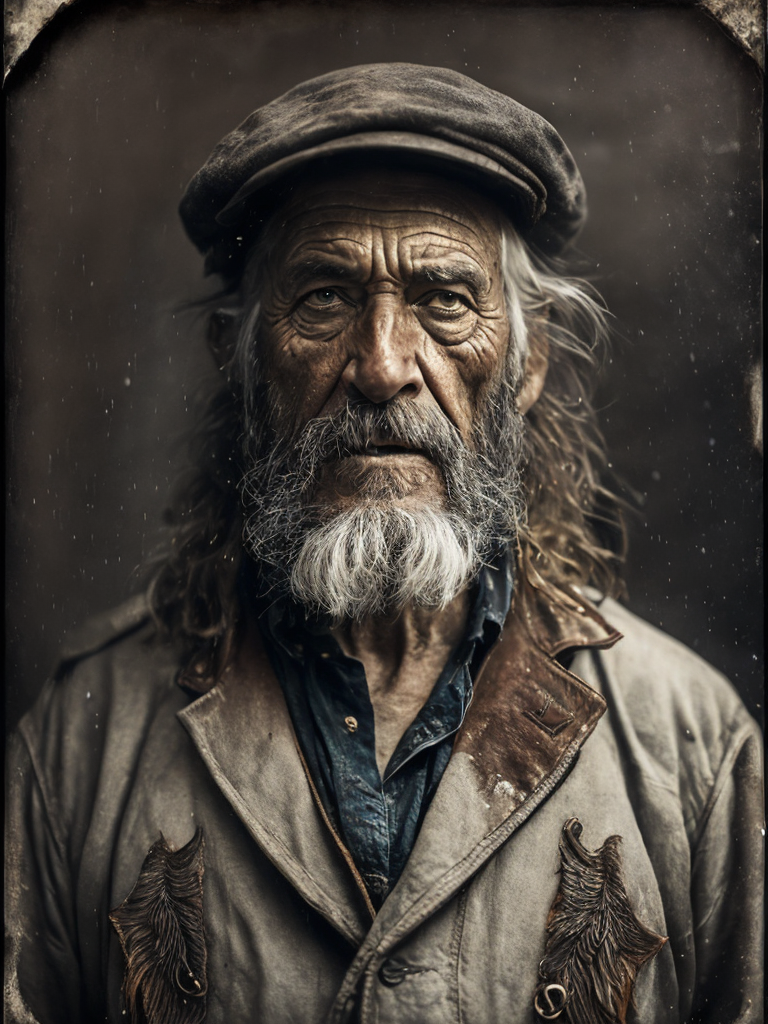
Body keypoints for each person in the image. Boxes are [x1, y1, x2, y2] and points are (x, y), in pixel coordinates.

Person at [5, 63, 762, 1024]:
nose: (383, 366)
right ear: (239, 363)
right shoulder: (81, 740)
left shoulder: (691, 744)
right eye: (324, 297)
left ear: (527, 367)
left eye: (445, 299)